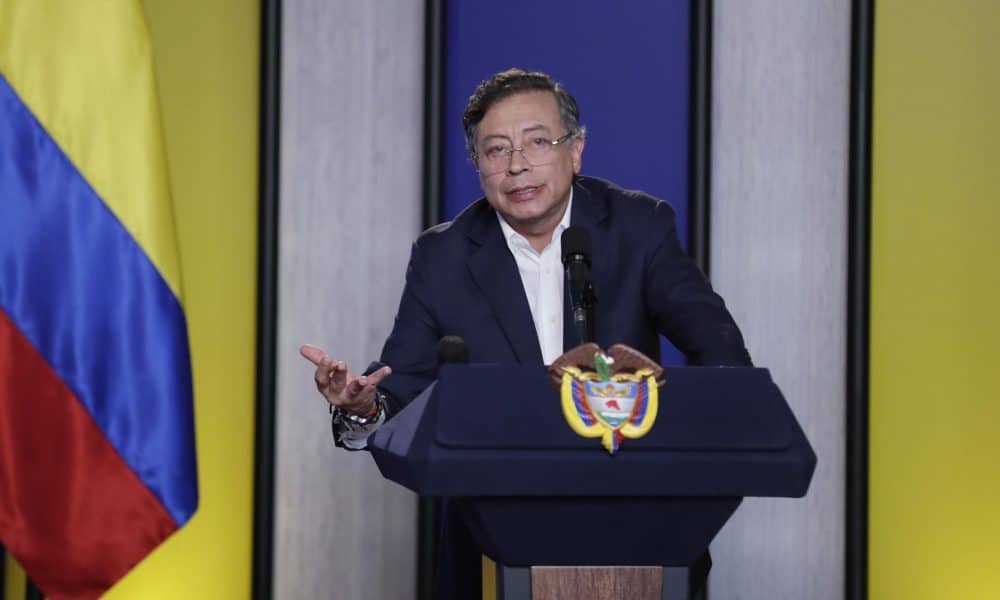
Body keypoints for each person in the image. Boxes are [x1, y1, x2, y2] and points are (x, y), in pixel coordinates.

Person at [300, 68, 751, 599]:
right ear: (477, 164)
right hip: (493, 541)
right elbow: (400, 389)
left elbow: (721, 353)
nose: (517, 165)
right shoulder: (443, 257)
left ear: (575, 150)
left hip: (637, 524)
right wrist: (363, 407)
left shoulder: (638, 226)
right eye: (496, 150)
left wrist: (687, 452)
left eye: (537, 142)